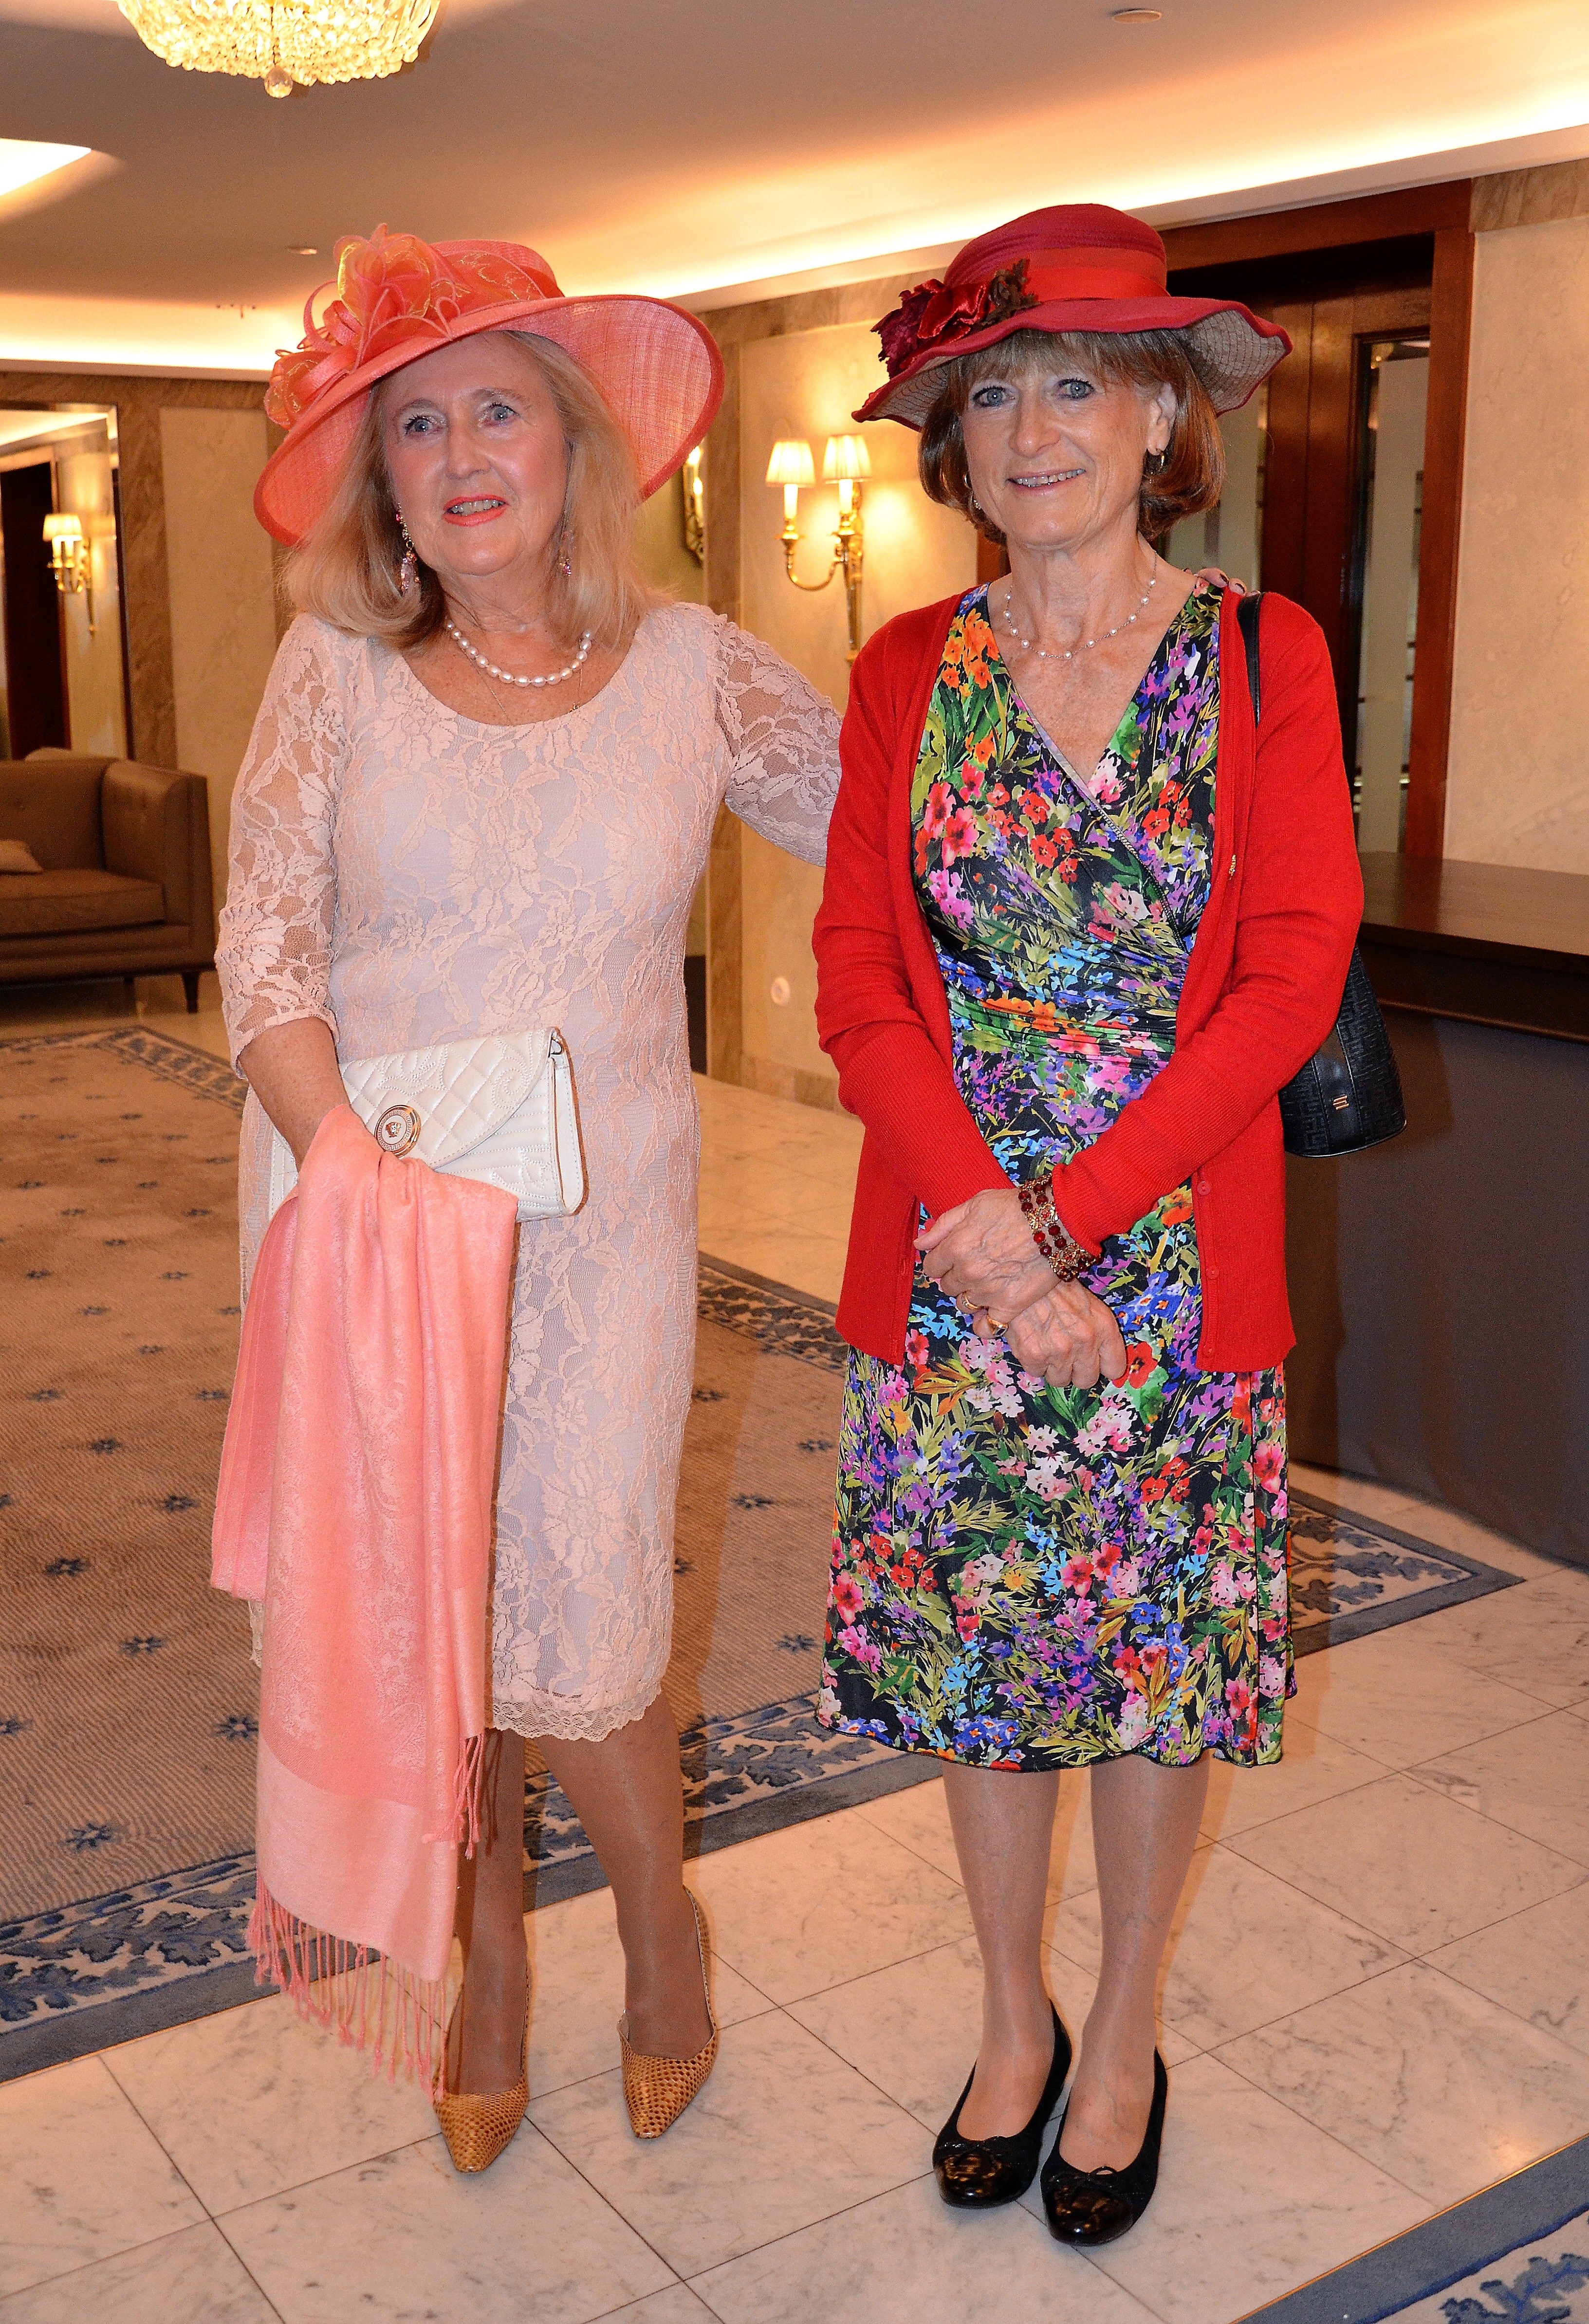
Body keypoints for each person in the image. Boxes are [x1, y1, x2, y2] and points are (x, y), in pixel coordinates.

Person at [217, 225, 839, 2167]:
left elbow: (903, 841)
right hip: (367, 1207)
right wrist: (344, 1161)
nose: (462, 454)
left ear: (576, 445)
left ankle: (660, 1927)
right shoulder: (333, 673)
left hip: (604, 1226)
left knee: (584, 1597)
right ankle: (484, 1961)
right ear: (382, 483)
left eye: (498, 411)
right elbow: (265, 950)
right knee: (431, 1614)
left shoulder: (697, 673)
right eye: (417, 427)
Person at [812, 203, 1361, 2246]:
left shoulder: (1265, 656)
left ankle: (1120, 2028)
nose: (1031, 428)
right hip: (952, 1259)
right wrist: (984, 1226)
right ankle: (1009, 2019)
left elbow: (1286, 980)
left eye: (1075, 385)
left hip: (1167, 1265)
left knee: (1146, 1670)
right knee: (983, 1664)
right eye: (991, 398)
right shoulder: (901, 670)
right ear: (954, 447)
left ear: (1157, 421)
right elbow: (858, 976)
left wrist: (1064, 1228)